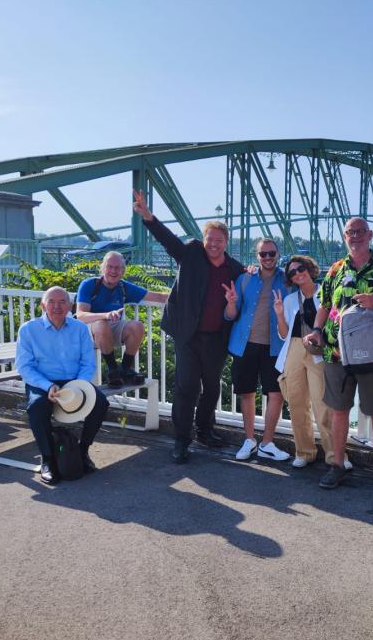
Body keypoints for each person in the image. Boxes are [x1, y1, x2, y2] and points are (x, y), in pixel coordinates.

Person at [133, 190, 245, 463]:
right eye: (210, 239)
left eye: (219, 240)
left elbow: (247, 295)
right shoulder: (191, 253)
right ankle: (181, 440)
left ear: (226, 242)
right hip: (187, 334)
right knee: (186, 387)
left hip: (217, 337)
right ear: (204, 239)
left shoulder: (235, 268)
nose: (213, 244)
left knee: (212, 387)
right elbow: (168, 240)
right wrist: (148, 217)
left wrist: (254, 271)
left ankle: (205, 431)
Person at [304, 217, 373, 489]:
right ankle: (337, 465)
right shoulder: (336, 269)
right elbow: (325, 305)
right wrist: (316, 330)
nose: (355, 236)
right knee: (339, 411)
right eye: (351, 232)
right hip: (337, 354)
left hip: (371, 355)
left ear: (370, 234)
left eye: (361, 232)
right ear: (345, 236)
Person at [16, 286, 110, 484]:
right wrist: (47, 385)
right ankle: (48, 458)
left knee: (100, 403)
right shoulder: (28, 329)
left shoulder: (79, 328)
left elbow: (88, 363)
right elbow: (25, 367)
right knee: (37, 406)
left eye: (62, 302)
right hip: (43, 381)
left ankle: (82, 451)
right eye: (51, 301)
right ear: (43, 305)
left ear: (70, 305)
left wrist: (77, 386)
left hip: (74, 382)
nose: (57, 306)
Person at [273, 254, 346, 469]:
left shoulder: (327, 293)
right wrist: (278, 314)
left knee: (322, 404)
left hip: (318, 350)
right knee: (296, 402)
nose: (297, 274)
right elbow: (283, 334)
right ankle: (304, 452)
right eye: (292, 272)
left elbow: (336, 323)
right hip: (294, 348)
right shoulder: (288, 300)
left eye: (300, 268)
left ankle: (336, 456)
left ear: (310, 269)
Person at [223, 238, 291, 462]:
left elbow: (311, 284)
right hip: (245, 344)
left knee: (276, 393)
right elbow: (231, 315)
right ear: (257, 256)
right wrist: (231, 302)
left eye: (272, 253)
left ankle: (267, 442)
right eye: (263, 254)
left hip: (276, 346)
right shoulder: (245, 279)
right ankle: (250, 439)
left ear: (278, 254)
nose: (268, 258)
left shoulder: (288, 280)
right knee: (247, 392)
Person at [75, 251, 168, 387]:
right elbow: (81, 315)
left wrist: (186, 297)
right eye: (109, 267)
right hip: (88, 330)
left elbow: (159, 297)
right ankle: (112, 370)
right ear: (103, 268)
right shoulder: (89, 284)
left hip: (111, 327)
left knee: (137, 326)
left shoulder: (123, 287)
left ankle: (125, 368)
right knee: (102, 324)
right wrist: (105, 315)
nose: (113, 271)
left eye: (118, 268)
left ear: (123, 271)